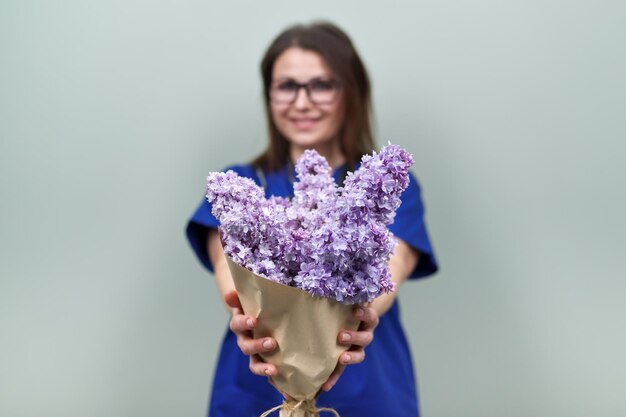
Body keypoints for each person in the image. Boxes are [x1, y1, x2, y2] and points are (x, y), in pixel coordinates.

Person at [186, 21, 438, 417]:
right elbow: (226, 264)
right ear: (269, 95)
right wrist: (246, 315)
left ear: (351, 93)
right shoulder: (241, 182)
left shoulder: (388, 185)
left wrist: (360, 315)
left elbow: (396, 261)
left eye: (322, 85)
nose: (302, 102)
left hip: (366, 388)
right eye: (286, 86)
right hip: (255, 385)